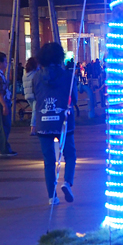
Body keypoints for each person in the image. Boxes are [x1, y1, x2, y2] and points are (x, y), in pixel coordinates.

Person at [32, 42, 77, 205]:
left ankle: (52, 197)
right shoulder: (68, 75)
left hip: (43, 123)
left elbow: (36, 96)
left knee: (48, 160)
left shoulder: (36, 76)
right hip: (64, 122)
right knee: (70, 154)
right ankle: (67, 182)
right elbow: (75, 98)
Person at [23, 57, 39, 135]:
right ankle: (33, 129)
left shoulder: (25, 73)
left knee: (35, 111)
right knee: (35, 112)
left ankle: (36, 127)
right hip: (34, 95)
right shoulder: (35, 73)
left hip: (27, 95)